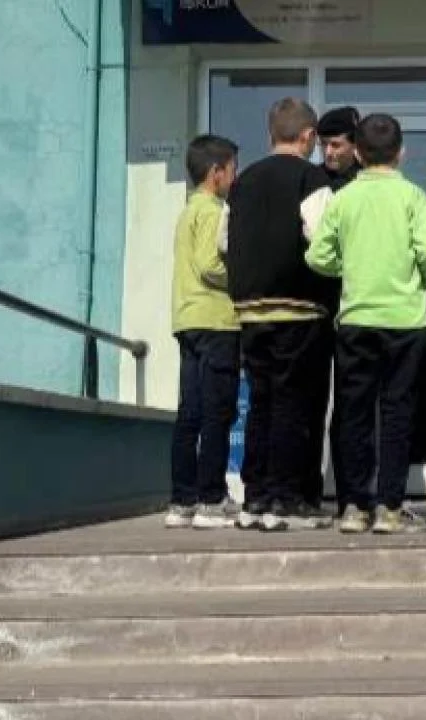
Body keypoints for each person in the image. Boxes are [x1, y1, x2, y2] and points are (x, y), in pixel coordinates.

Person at [306, 114, 426, 535]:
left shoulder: (343, 198)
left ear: (359, 154)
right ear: (401, 152)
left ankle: (353, 506)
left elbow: (317, 257)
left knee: (354, 412)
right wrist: (421, 279)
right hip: (405, 318)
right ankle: (389, 507)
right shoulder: (413, 197)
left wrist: (349, 268)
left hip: (356, 318)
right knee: (398, 412)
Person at [225, 98, 338, 532]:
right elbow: (324, 239)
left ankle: (255, 494)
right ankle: (288, 498)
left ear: (270, 133)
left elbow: (223, 241)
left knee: (261, 401)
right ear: (308, 137)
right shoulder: (311, 178)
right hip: (300, 308)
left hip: (251, 312)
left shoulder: (244, 181)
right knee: (295, 403)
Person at [165, 134, 241, 530]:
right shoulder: (214, 210)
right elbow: (211, 265)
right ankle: (211, 499)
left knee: (190, 413)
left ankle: (182, 500)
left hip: (188, 319)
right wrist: (245, 276)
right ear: (216, 173)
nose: (235, 177)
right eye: (232, 170)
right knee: (218, 412)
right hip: (216, 321)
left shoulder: (187, 210)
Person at [317, 106, 362, 190]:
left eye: (335, 145)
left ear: (355, 144)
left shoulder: (366, 178)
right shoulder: (313, 178)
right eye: (323, 144)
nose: (328, 152)